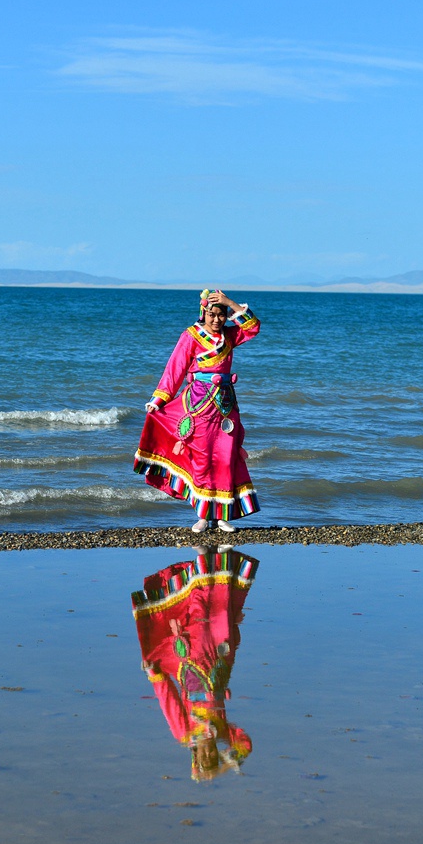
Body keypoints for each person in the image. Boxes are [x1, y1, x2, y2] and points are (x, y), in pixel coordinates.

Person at [134, 289, 260, 533]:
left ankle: (222, 515)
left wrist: (229, 302)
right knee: (202, 458)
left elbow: (253, 327)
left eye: (221, 315)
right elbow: (175, 369)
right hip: (198, 406)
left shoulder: (230, 336)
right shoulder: (190, 336)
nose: (216, 320)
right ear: (203, 313)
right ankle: (203, 515)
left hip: (225, 407)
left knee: (225, 458)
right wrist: (159, 400)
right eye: (212, 315)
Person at [131, 547, 259, 781]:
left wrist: (156, 676)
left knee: (200, 620)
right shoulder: (221, 731)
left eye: (204, 757)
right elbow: (245, 744)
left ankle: (203, 559)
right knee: (220, 618)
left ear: (196, 756)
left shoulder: (184, 733)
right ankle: (219, 557)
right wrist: (223, 768)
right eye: (213, 757)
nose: (209, 753)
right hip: (220, 663)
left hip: (192, 665)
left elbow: (168, 702)